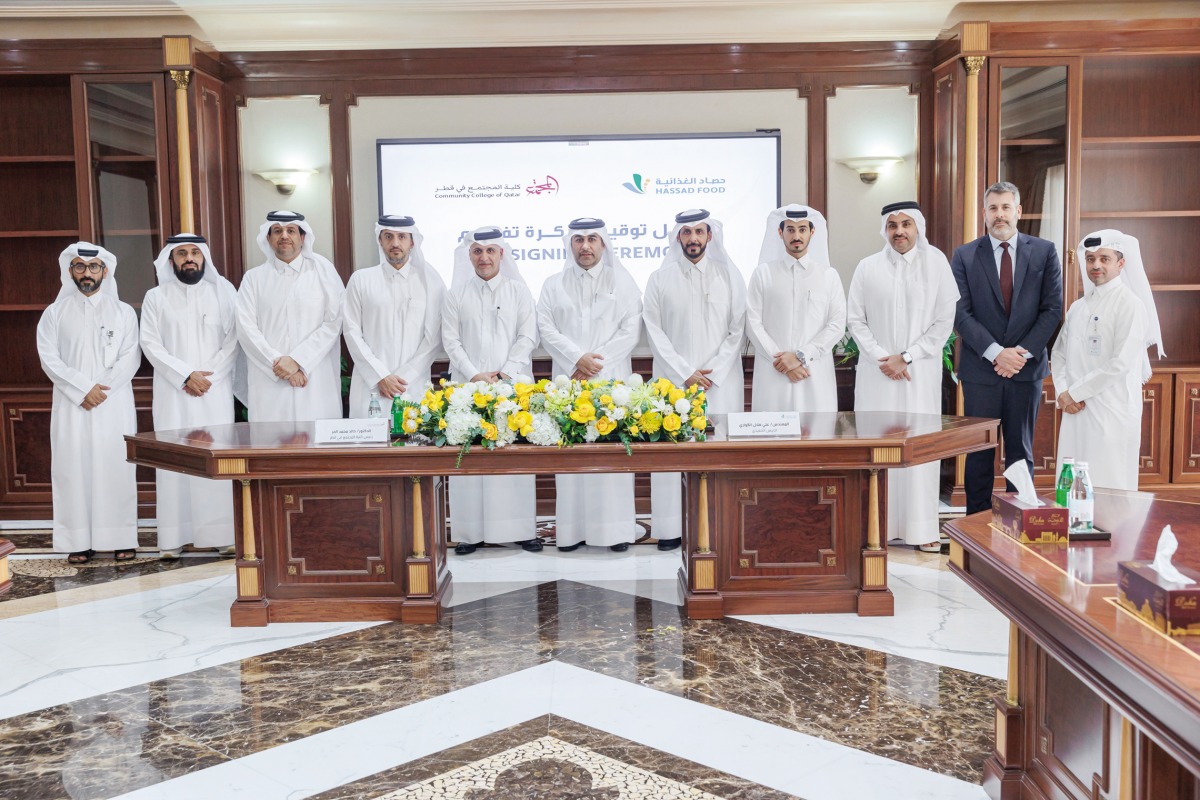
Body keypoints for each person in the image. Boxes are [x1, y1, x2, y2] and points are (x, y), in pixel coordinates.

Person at [847, 202, 959, 552]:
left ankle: (921, 530)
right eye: (893, 225)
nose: (899, 231)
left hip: (918, 373)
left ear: (917, 227)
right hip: (877, 374)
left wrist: (907, 356)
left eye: (906, 224)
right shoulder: (867, 267)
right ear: (885, 229)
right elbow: (856, 320)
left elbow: (944, 321)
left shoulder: (936, 263)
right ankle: (875, 528)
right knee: (876, 448)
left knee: (919, 448)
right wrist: (882, 357)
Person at [951, 182, 1063, 514]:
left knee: (1020, 453)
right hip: (980, 372)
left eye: (1005, 207)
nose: (999, 214)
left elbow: (1052, 310)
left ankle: (1018, 525)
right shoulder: (964, 255)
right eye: (993, 208)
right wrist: (996, 352)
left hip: (1025, 371)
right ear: (984, 214)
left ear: (1018, 211)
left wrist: (1019, 354)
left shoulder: (1044, 251)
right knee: (979, 453)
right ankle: (976, 526)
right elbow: (960, 312)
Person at [643, 209, 747, 551]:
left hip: (720, 383)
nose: (693, 238)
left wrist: (712, 370)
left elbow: (737, 329)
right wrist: (684, 372)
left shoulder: (729, 276)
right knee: (671, 453)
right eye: (686, 232)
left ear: (709, 236)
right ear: (678, 237)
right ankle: (670, 528)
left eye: (699, 232)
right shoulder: (660, 279)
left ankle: (723, 526)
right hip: (673, 383)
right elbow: (653, 330)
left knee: (719, 453)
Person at [537, 218, 643, 552]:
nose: (585, 246)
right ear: (570, 244)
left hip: (611, 382)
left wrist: (595, 363)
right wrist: (576, 358)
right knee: (571, 457)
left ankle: (615, 532)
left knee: (611, 456)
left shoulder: (623, 281)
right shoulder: (553, 284)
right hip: (569, 381)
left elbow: (631, 330)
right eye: (579, 239)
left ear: (603, 244)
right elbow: (545, 327)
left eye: (592, 239)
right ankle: (571, 532)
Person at [36, 243, 141, 564]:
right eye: (80, 267)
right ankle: (78, 541)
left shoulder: (123, 312)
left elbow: (131, 358)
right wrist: (83, 389)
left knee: (115, 468)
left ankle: (121, 538)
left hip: (113, 404)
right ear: (70, 271)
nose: (87, 273)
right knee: (73, 469)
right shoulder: (54, 314)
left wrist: (100, 391)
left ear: (104, 272)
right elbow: (49, 358)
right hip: (72, 405)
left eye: (93, 267)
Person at [140, 234, 240, 559]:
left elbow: (234, 341)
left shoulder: (223, 293)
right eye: (182, 253)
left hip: (214, 390)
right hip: (173, 392)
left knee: (215, 456)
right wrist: (185, 375)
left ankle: (221, 535)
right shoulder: (156, 297)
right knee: (174, 458)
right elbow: (150, 343)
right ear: (171, 260)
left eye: (195, 252)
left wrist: (207, 377)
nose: (189, 258)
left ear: (204, 257)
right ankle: (173, 538)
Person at [442, 226, 541, 555]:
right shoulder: (456, 295)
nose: (483, 257)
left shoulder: (518, 291)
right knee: (469, 458)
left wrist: (505, 373)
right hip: (468, 388)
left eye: (490, 251)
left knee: (513, 460)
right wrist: (474, 375)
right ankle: (469, 533)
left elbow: (528, 336)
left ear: (501, 254)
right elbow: (450, 340)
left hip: (511, 387)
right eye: (477, 251)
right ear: (469, 256)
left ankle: (522, 530)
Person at [1052, 230, 1163, 490]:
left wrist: (1074, 393)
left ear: (1121, 263)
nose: (1096, 265)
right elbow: (1058, 354)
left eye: (1105, 259)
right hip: (1075, 411)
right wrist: (1063, 393)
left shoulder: (1130, 305)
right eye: (1090, 259)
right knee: (1071, 484)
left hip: (1111, 411)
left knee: (1109, 485)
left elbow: (1120, 364)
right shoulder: (1078, 307)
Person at [236, 210, 345, 422]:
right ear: (268, 238)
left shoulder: (323, 272)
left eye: (291, 231)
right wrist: (280, 366)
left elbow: (334, 322)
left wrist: (298, 360)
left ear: (302, 237)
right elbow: (246, 328)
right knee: (271, 439)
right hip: (270, 383)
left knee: (318, 439)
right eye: (277, 231)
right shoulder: (253, 279)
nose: (284, 236)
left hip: (314, 379)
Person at [343, 215, 446, 418]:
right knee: (369, 437)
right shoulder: (361, 279)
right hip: (370, 386)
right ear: (380, 241)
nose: (395, 243)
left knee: (414, 435)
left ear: (412, 242)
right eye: (388, 237)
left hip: (412, 386)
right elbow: (351, 331)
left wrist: (403, 378)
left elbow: (434, 338)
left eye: (402, 237)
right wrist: (380, 376)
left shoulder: (430, 283)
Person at [746, 204, 846, 412]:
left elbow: (836, 324)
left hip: (814, 373)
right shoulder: (763, 274)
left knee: (817, 430)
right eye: (790, 230)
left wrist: (801, 356)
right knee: (771, 430)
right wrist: (781, 361)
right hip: (773, 374)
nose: (796, 236)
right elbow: (753, 323)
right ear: (780, 232)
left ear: (812, 232)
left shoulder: (828, 276)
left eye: (802, 229)